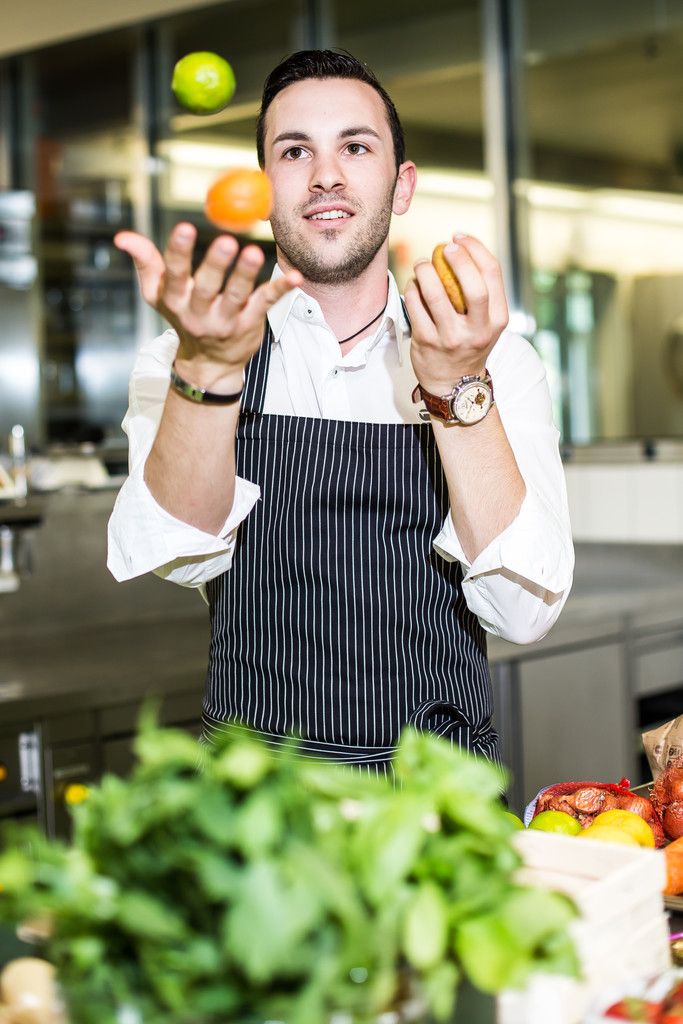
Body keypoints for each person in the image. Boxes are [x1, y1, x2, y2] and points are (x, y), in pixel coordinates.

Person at [108, 49, 574, 772]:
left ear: (401, 184)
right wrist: (208, 372)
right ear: (264, 188)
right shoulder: (187, 358)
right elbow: (180, 555)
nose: (326, 174)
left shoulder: (495, 362)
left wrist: (456, 393)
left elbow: (523, 614)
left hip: (434, 810)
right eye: (295, 152)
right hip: (253, 807)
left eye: (355, 147)